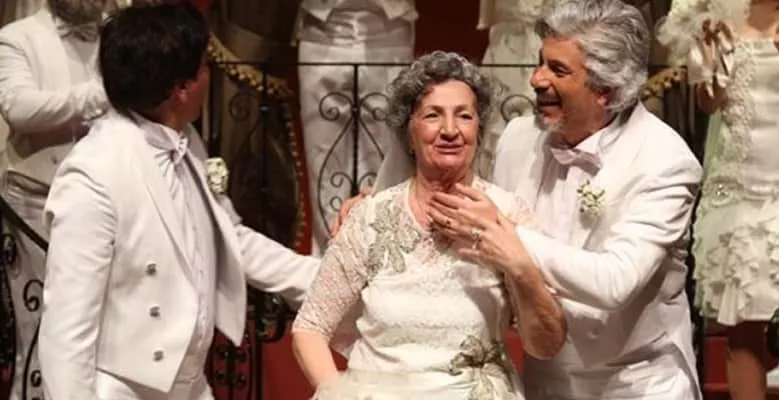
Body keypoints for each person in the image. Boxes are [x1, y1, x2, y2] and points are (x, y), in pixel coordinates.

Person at [354, 0, 702, 398]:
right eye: (540, 63)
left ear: (605, 90)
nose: (536, 79)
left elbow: (614, 281)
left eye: (557, 69)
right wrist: (388, 205)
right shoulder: (520, 138)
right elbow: (469, 204)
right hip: (544, 378)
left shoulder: (664, 161)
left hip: (638, 383)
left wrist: (503, 234)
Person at [37, 2, 319, 399]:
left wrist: (329, 279)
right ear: (181, 87)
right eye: (204, 67)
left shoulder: (186, 141)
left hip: (190, 386)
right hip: (121, 390)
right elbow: (66, 331)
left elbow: (231, 239)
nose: (209, 76)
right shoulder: (94, 174)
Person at [292, 50, 567, 399]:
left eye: (464, 116)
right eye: (433, 115)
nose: (450, 130)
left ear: (479, 130)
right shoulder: (370, 219)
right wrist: (338, 395)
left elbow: (546, 345)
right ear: (409, 133)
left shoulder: (507, 214)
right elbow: (310, 328)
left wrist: (519, 263)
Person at [658, 0, 779, 398]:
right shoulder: (722, 14)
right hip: (740, 187)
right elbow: (708, 102)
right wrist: (710, 54)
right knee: (744, 329)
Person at [0, 1, 115, 398]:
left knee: (99, 329)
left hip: (106, 203)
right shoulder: (16, 38)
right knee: (41, 329)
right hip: (36, 203)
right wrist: (104, 94)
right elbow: (19, 108)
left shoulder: (117, 36)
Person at [297, 0, 416, 256]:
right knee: (324, 166)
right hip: (323, 30)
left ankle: (382, 259)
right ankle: (327, 263)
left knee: (385, 163)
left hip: (388, 31)